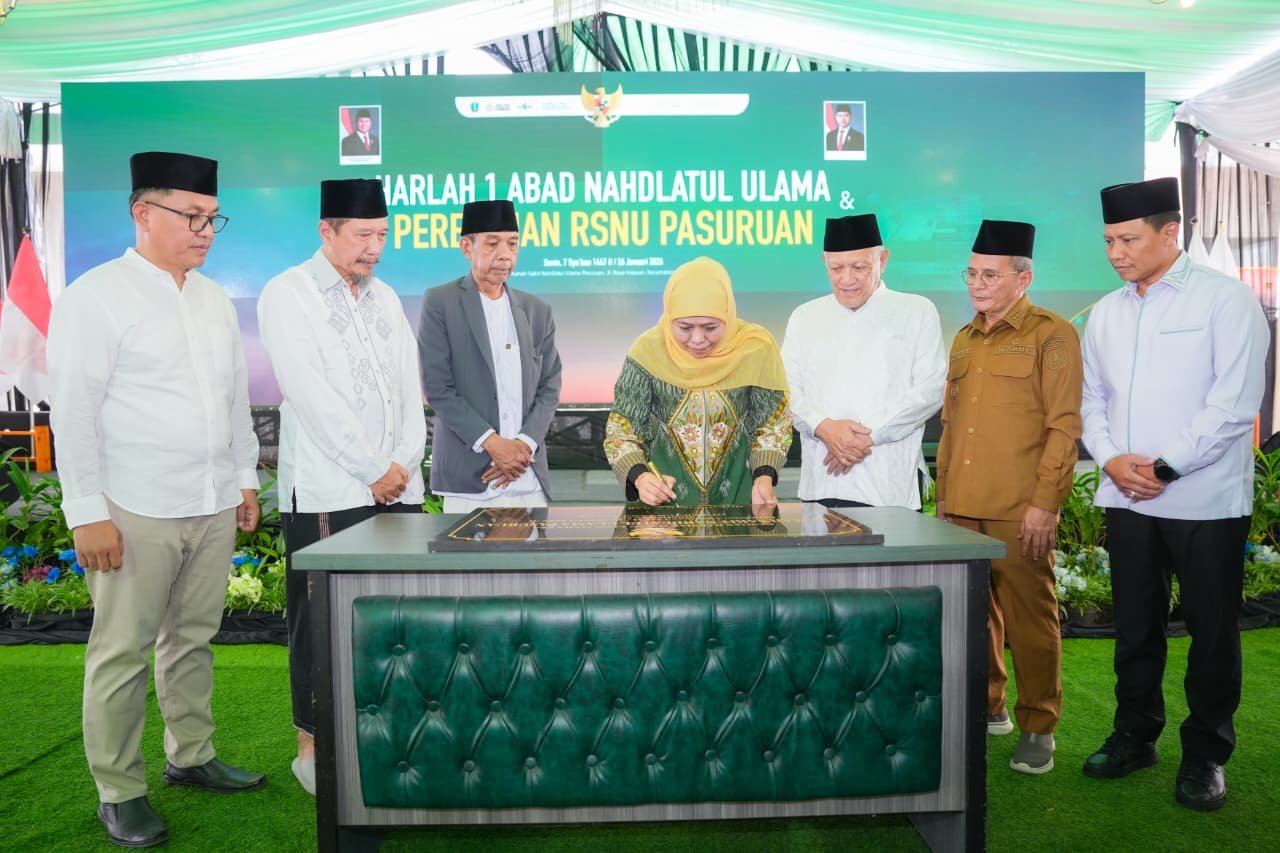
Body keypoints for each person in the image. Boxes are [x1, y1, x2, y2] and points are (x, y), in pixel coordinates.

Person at [47, 151, 265, 849]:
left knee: (193, 638)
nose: (205, 231)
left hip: (210, 498)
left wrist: (244, 476)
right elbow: (72, 412)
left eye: (213, 219)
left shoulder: (213, 298)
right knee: (122, 649)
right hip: (132, 504)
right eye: (191, 216)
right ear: (142, 213)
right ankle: (119, 790)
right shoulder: (95, 297)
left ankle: (191, 755)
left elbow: (233, 399)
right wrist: (87, 511)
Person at [1079, 177, 1269, 811]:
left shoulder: (1225, 300)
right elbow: (1091, 400)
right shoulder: (1105, 312)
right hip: (1126, 497)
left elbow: (1233, 403)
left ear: (1170, 232)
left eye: (1128, 240)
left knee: (1212, 631)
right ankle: (1135, 736)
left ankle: (1206, 754)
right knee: (1135, 626)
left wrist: (1165, 466)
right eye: (1108, 241)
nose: (1116, 253)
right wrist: (1111, 459)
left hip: (1204, 499)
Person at [257, 178, 427, 796]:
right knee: (321, 623)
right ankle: (313, 745)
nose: (374, 248)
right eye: (362, 235)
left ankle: (390, 737)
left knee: (394, 619)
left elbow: (410, 389)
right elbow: (310, 395)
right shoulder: (287, 293)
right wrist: (371, 468)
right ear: (325, 230)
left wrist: (402, 463)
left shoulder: (386, 297)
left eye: (382, 235)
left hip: (398, 490)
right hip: (330, 492)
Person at [935, 219, 1082, 776]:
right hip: (962, 504)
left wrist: (1046, 503)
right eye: (972, 274)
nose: (977, 284)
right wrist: (943, 497)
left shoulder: (1052, 335)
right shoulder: (964, 338)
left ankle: (1038, 725)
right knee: (975, 616)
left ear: (1023, 278)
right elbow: (950, 426)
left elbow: (1064, 427)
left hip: (1020, 508)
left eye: (990, 275)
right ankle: (989, 704)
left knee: (1030, 620)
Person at [782, 213, 945, 509]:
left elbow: (929, 391)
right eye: (836, 268)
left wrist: (865, 436)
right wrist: (824, 428)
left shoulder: (917, 311)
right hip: (822, 481)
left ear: (883, 259)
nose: (847, 279)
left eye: (859, 267)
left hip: (889, 483)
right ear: (824, 262)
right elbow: (786, 390)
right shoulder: (804, 317)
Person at [604, 256, 793, 506]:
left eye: (710, 327)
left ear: (728, 315)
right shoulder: (647, 352)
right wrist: (640, 477)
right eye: (684, 328)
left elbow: (771, 423)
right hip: (663, 507)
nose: (697, 339)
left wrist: (764, 476)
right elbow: (622, 429)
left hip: (738, 503)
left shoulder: (754, 349)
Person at [418, 200, 562, 512]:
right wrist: (494, 445)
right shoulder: (441, 302)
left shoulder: (537, 310)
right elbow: (438, 388)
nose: (505, 254)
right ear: (466, 248)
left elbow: (550, 386)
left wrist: (522, 445)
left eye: (512, 243)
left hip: (527, 474)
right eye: (492, 243)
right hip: (469, 479)